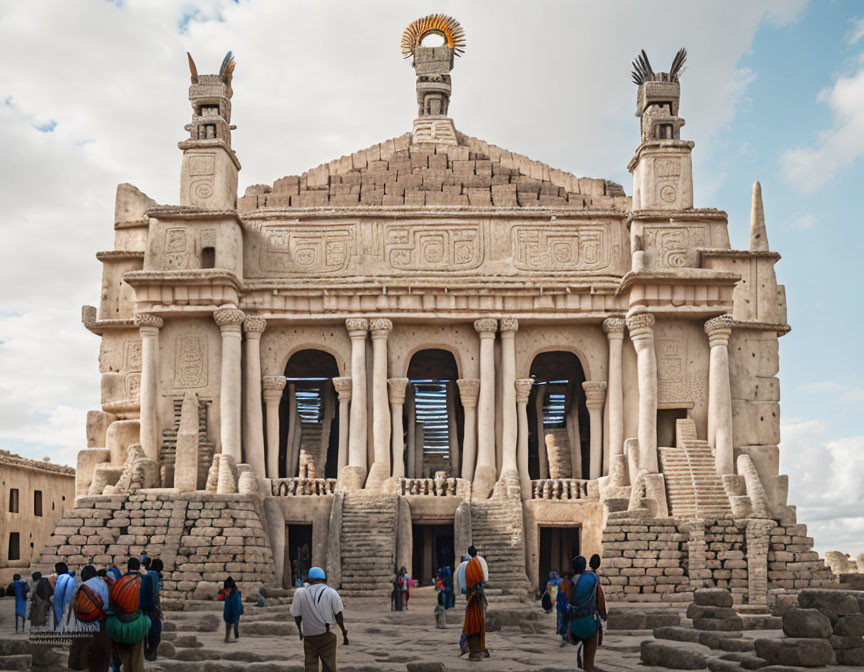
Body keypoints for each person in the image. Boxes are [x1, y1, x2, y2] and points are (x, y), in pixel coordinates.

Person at [290, 566, 348, 672]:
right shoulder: (331, 592)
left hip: (309, 636)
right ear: (323, 579)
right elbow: (339, 616)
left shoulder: (299, 592)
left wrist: (300, 631)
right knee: (328, 663)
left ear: (310, 579)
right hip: (324, 635)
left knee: (310, 663)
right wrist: (344, 632)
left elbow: (297, 616)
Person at [107, 558, 148, 672]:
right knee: (137, 655)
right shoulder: (143, 580)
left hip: (120, 623)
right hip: (137, 624)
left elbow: (114, 603)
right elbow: (147, 605)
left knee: (124, 655)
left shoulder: (120, 580)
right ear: (138, 567)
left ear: (128, 567)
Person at [68, 564, 111, 672]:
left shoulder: (79, 586)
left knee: (79, 657)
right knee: (100, 661)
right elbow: (105, 605)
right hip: (99, 624)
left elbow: (73, 604)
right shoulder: (103, 584)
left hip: (82, 626)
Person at [567, 556, 606, 672]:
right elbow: (600, 603)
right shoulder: (592, 580)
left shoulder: (567, 583)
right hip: (589, 623)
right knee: (589, 662)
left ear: (573, 569)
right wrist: (604, 615)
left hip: (573, 626)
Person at [462, 547, 488, 661]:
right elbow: (480, 579)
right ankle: (476, 651)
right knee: (477, 624)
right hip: (477, 597)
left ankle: (474, 651)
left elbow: (470, 581)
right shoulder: (477, 563)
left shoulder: (470, 564)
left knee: (472, 624)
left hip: (473, 598)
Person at [141, 558, 163, 660]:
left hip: (142, 607)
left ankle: (146, 650)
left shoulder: (145, 574)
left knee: (145, 631)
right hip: (152, 608)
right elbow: (157, 592)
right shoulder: (156, 576)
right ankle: (152, 651)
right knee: (155, 631)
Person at [588, 554, 607, 648]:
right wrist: (603, 612)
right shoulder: (595, 578)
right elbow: (599, 597)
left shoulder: (585, 575)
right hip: (593, 607)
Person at [53, 562, 76, 630]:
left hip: (62, 605)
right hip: (64, 605)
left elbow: (68, 595)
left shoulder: (62, 579)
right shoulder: (69, 578)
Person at [222, 577, 243, 643]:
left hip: (233, 614)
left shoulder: (235, 596)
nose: (226, 592)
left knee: (232, 626)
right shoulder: (231, 595)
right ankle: (228, 637)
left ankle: (230, 638)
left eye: (227, 590)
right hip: (229, 614)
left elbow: (237, 607)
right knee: (228, 625)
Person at [555, 571, 572, 647]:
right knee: (562, 622)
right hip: (561, 606)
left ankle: (566, 637)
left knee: (566, 622)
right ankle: (564, 637)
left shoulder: (570, 584)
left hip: (567, 605)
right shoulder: (559, 584)